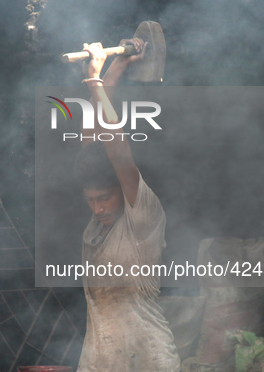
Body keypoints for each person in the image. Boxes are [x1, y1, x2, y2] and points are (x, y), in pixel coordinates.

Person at [75, 39, 181, 372]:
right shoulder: (97, 225)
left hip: (148, 360)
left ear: (122, 190)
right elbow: (93, 141)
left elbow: (117, 150)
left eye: (104, 198)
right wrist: (116, 69)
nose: (97, 209)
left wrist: (94, 81)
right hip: (100, 359)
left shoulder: (142, 216)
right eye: (90, 201)